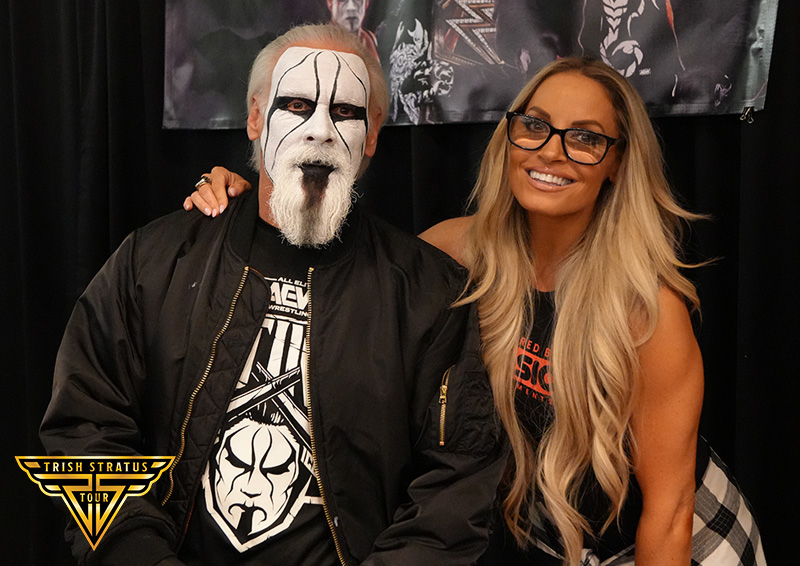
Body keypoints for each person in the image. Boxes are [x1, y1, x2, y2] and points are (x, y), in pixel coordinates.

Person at [188, 56, 766, 565]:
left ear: (616, 162)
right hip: (538, 539)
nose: (551, 151)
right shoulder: (454, 252)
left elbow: (670, 512)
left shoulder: (649, 312)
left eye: (585, 138)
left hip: (665, 544)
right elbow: (333, 270)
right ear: (510, 136)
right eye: (534, 126)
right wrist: (253, 201)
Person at [40, 23, 505, 566]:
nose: (320, 131)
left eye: (346, 112)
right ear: (256, 118)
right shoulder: (154, 261)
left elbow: (455, 486)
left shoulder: (428, 293)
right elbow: (85, 430)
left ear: (373, 134)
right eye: (296, 104)